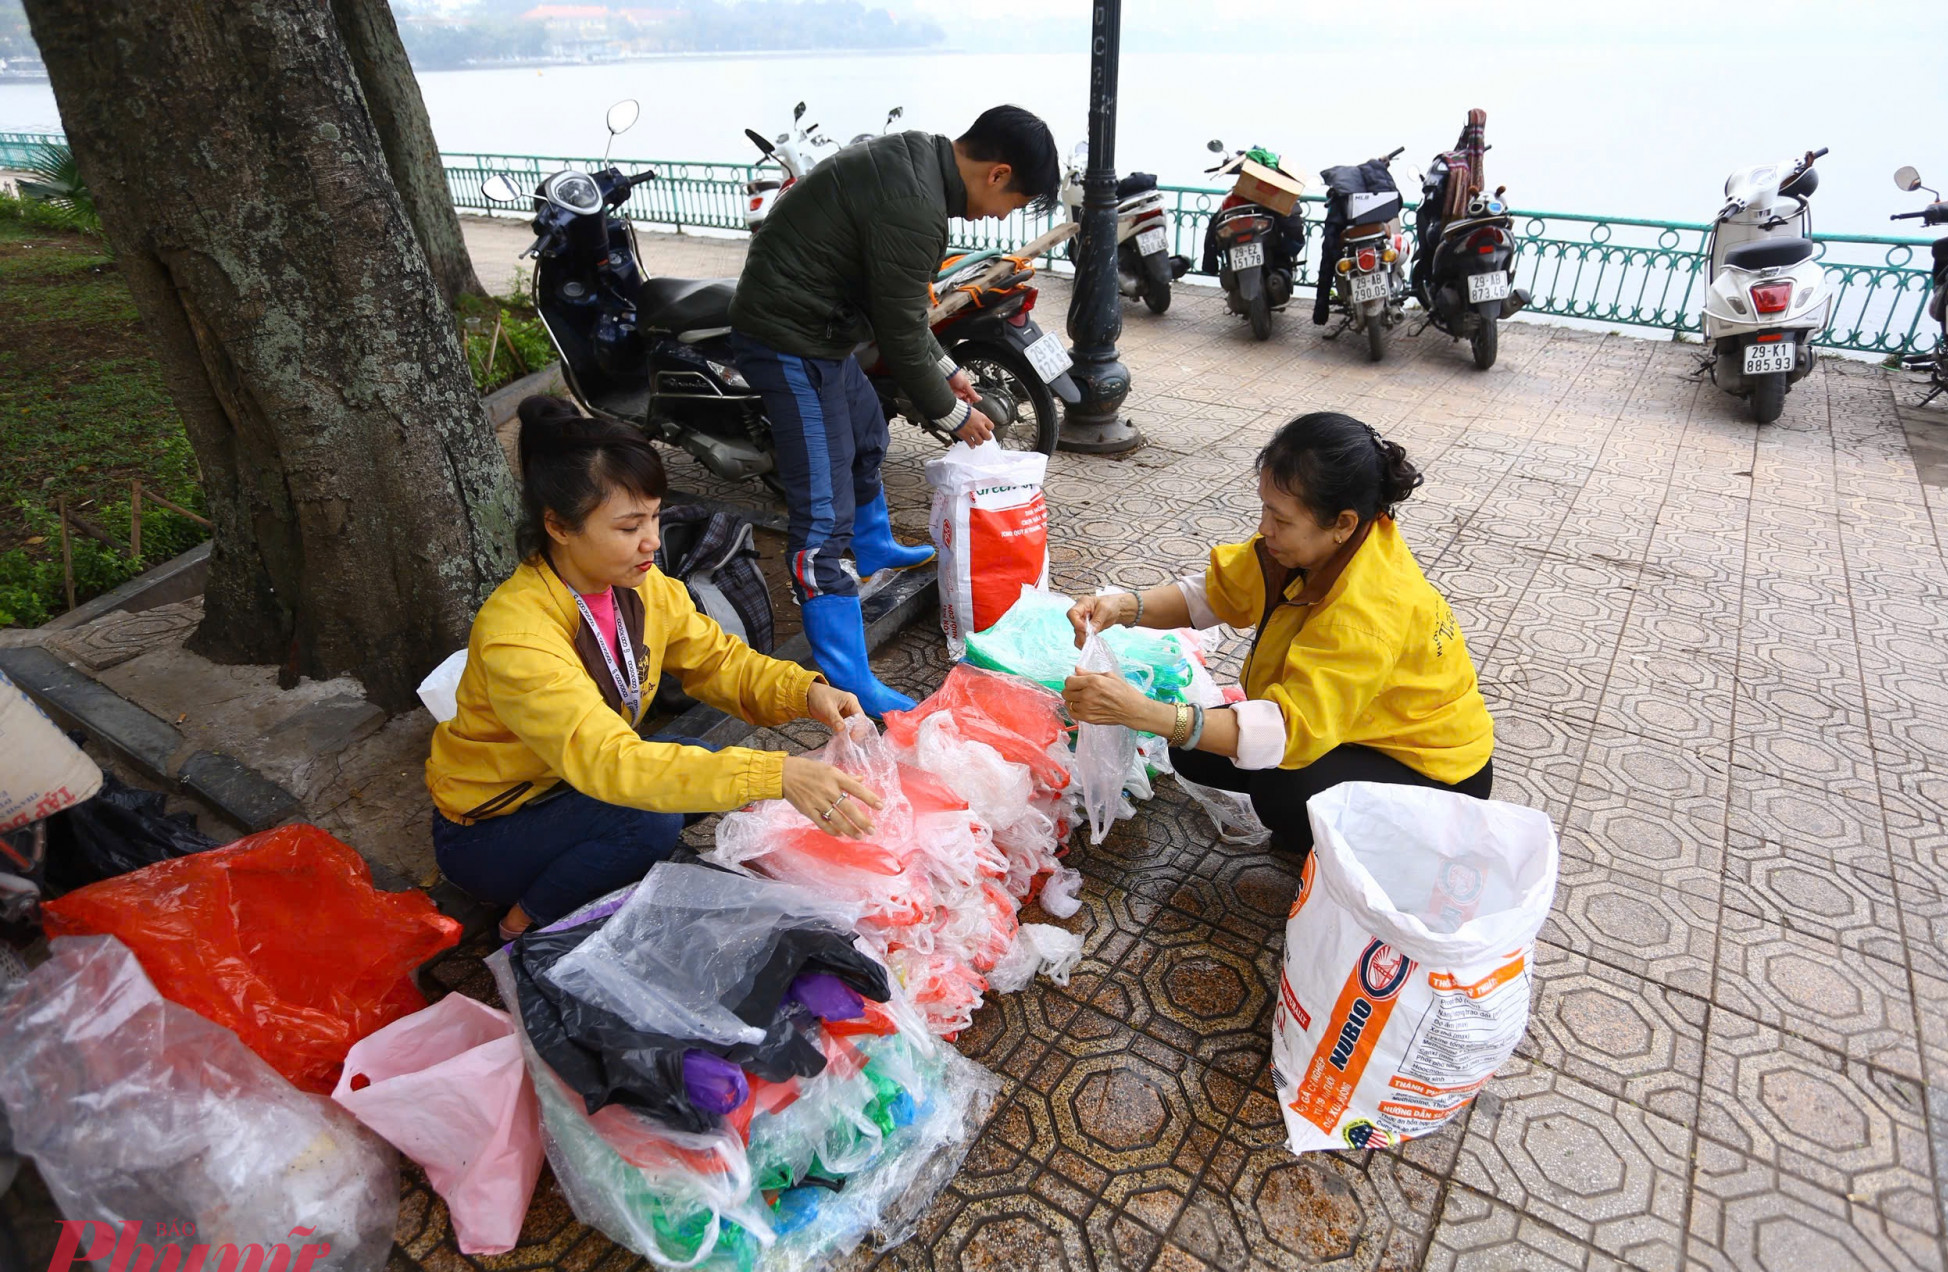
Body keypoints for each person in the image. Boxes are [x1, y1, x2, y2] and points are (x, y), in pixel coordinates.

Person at [426, 396, 885, 939]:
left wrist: (806, 692)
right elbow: (609, 763)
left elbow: (719, 661)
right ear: (559, 526)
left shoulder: (643, 586)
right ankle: (522, 922)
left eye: (654, 516)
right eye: (628, 527)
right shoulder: (518, 635)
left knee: (694, 760)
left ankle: (587, 869)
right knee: (650, 820)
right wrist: (777, 774)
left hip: (570, 782)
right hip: (494, 826)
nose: (651, 541)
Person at [728, 103, 1061, 715]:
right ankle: (849, 678)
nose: (999, 216)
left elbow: (900, 311)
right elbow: (902, 334)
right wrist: (955, 416)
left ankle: (876, 546)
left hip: (826, 331)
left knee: (865, 434)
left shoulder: (919, 161)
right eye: (1010, 203)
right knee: (821, 519)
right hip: (790, 338)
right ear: (997, 173)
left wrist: (949, 370)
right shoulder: (916, 204)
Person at [1061, 412, 1494, 854]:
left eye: (1281, 519)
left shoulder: (1367, 611)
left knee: (1285, 788)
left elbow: (1286, 733)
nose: (1264, 527)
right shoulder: (1315, 547)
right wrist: (1121, 607)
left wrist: (1141, 712)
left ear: (1343, 523)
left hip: (1435, 778)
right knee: (1194, 748)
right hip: (1359, 731)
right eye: (1265, 507)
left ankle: (1356, 850)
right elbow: (1217, 592)